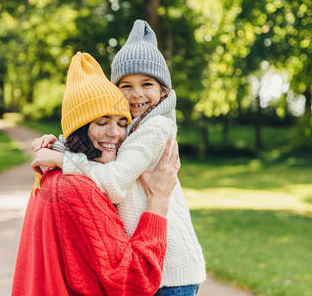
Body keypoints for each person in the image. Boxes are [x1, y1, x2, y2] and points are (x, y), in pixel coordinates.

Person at [32, 20, 206, 295]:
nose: (136, 93)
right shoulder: (133, 126)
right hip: (154, 263)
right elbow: (99, 150)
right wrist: (61, 144)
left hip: (170, 272)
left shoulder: (156, 128)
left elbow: (113, 180)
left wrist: (62, 160)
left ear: (163, 91)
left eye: (147, 83)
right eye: (126, 85)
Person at [11, 51, 182, 296]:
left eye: (122, 123)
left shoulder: (53, 175)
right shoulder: (77, 189)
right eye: (102, 123)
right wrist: (159, 201)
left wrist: (60, 150)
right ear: (79, 130)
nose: (115, 133)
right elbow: (135, 279)